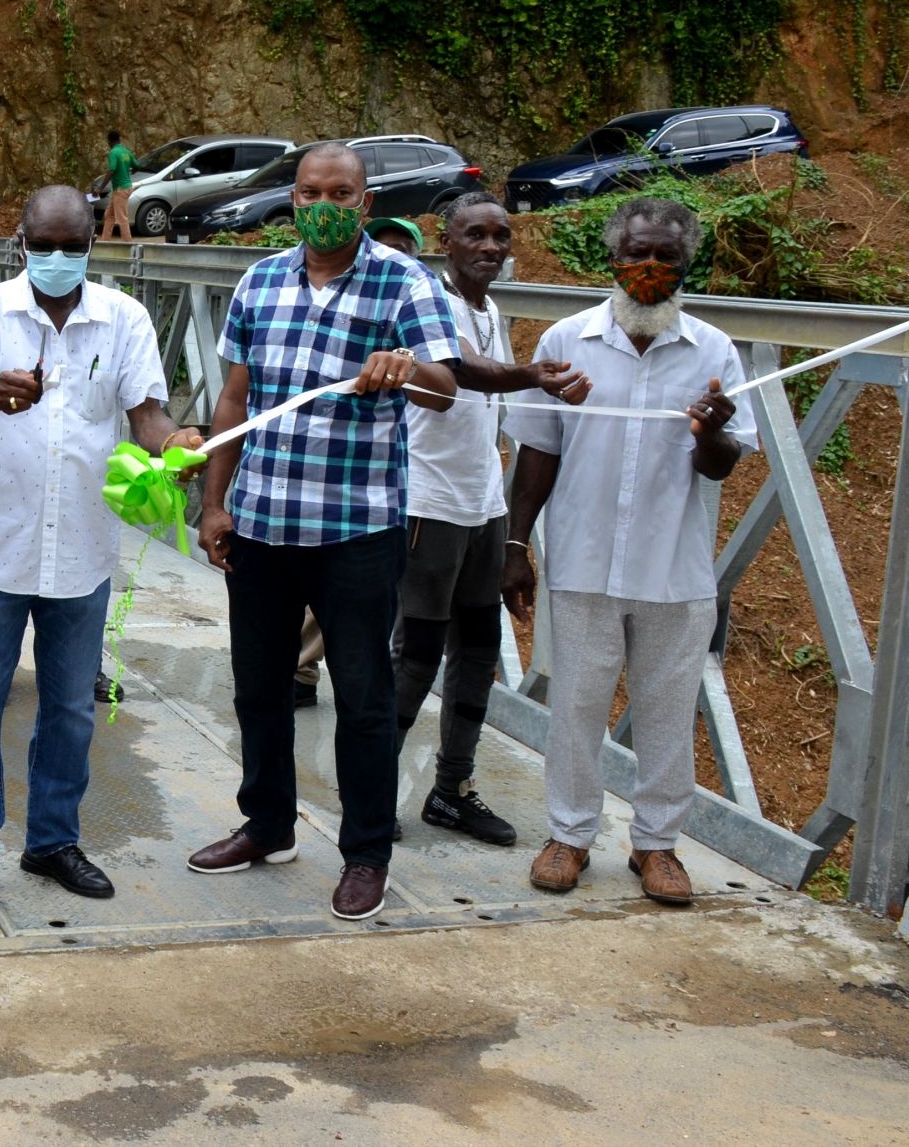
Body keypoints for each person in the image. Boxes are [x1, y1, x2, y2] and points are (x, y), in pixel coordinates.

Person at [188, 143, 461, 923]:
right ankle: (267, 824)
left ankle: (366, 851)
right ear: (293, 199)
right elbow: (235, 399)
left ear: (365, 203)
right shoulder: (261, 279)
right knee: (258, 687)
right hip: (264, 525)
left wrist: (404, 366)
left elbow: (447, 388)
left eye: (340, 191)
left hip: (357, 530)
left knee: (365, 697)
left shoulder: (405, 281)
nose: (323, 203)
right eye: (310, 191)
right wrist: (215, 503)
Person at [0, 186, 206, 916]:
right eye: (41, 245)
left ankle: (52, 841)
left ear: (92, 245)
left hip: (81, 549)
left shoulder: (125, 318)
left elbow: (147, 413)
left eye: (71, 246)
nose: (55, 258)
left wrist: (172, 443)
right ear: (20, 242)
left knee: (71, 711)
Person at [503, 196, 755, 907]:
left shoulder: (714, 351)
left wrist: (711, 431)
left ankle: (657, 844)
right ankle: (570, 835)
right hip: (584, 559)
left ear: (685, 267)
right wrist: (516, 544)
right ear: (612, 260)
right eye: (637, 254)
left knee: (670, 711)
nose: (649, 267)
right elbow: (537, 453)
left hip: (673, 568)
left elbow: (722, 463)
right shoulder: (565, 341)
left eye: (665, 258)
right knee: (576, 706)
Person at [392, 192, 590, 847]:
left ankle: (453, 789)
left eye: (501, 236)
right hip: (429, 501)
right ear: (443, 240)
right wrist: (531, 374)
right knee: (415, 654)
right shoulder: (426, 301)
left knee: (477, 650)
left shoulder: (490, 308)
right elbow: (461, 374)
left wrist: (510, 534)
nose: (490, 247)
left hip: (481, 503)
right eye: (474, 235)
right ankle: (372, 788)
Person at [99, 130, 136, 241]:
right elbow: (137, 164)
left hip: (121, 189)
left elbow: (111, 170)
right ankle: (105, 241)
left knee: (122, 218)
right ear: (119, 139)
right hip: (124, 188)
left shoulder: (113, 152)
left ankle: (128, 244)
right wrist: (130, 170)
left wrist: (101, 188)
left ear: (110, 141)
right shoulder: (126, 151)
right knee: (109, 215)